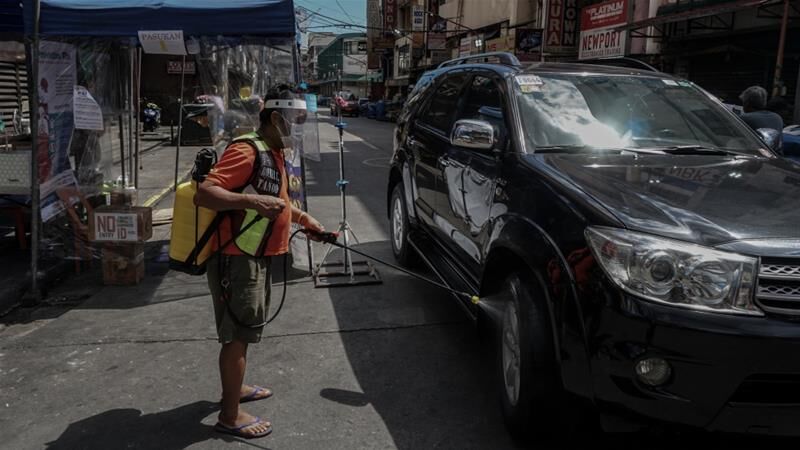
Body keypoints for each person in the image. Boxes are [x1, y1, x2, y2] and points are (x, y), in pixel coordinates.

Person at [195, 87, 325, 439]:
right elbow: (205, 193)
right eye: (294, 123)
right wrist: (255, 206)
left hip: (255, 256)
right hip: (236, 260)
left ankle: (235, 389)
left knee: (245, 333)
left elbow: (277, 200)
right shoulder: (246, 150)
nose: (297, 131)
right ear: (275, 119)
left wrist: (303, 220)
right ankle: (229, 415)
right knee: (237, 336)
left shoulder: (274, 151)